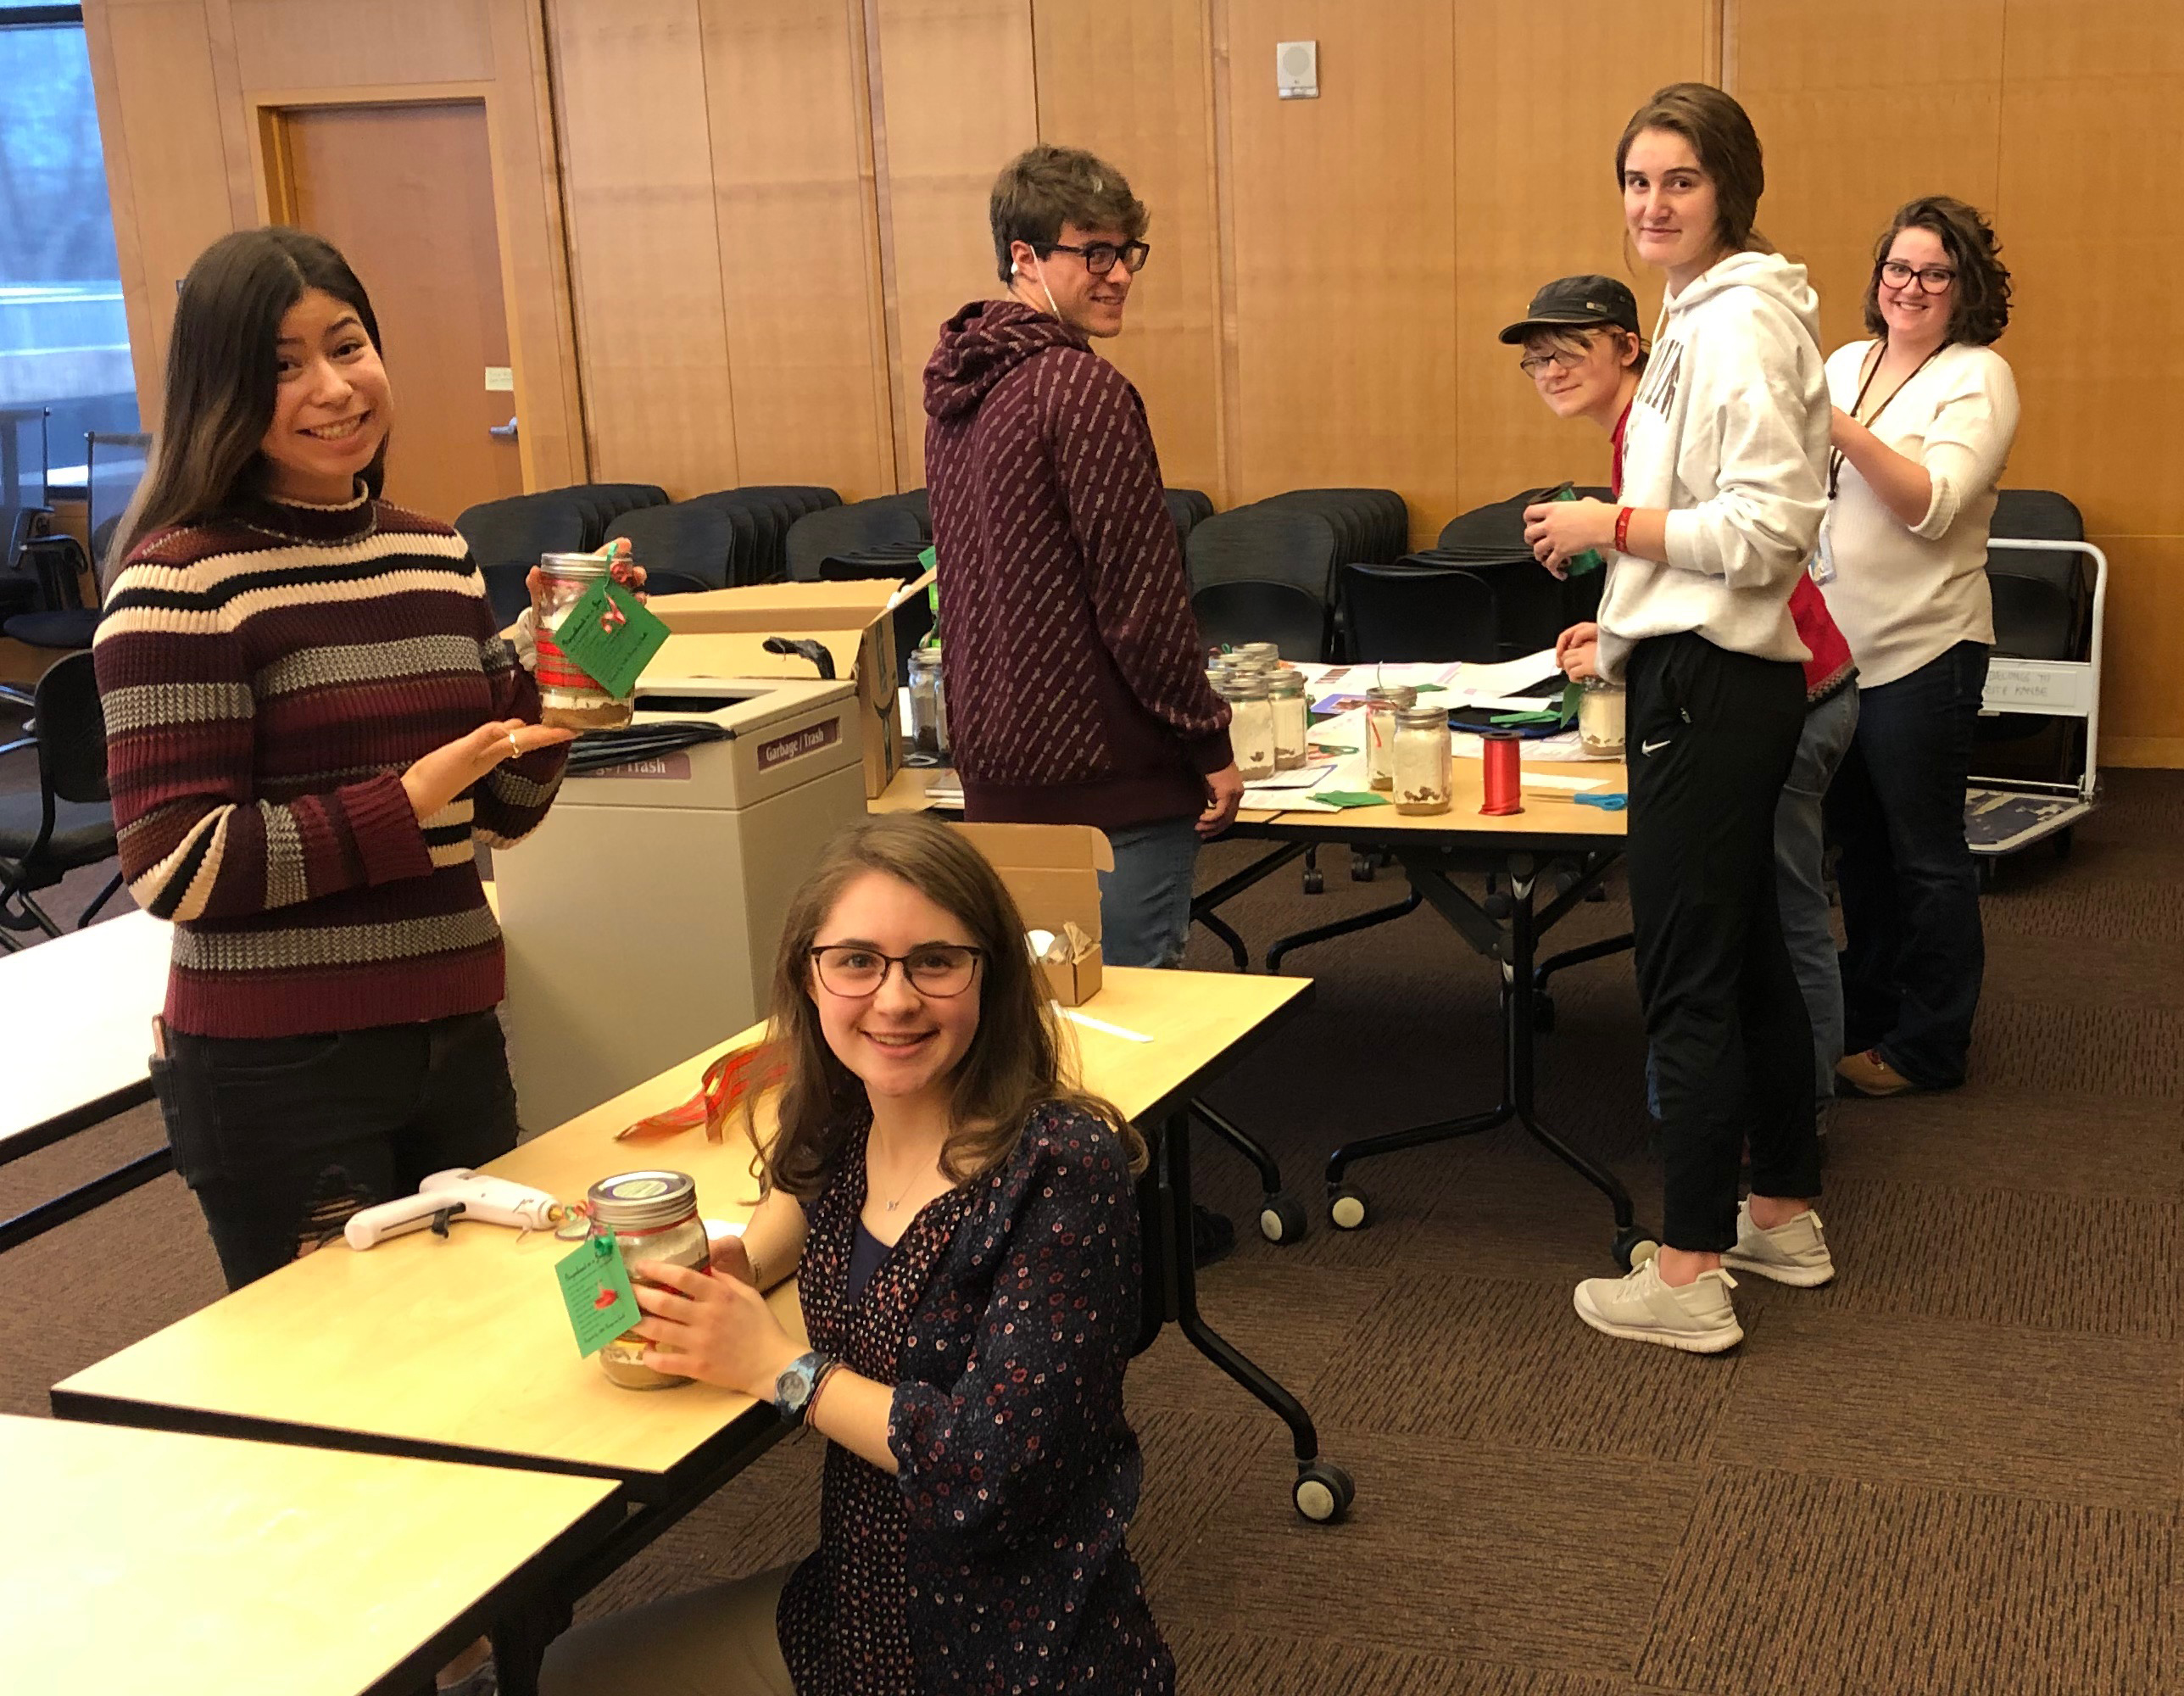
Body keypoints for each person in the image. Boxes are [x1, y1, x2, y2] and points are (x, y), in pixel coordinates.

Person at [94, 227, 640, 1293]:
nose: (333, 387)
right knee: (342, 1392)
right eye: (283, 366)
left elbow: (503, 807)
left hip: (453, 1026)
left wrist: (575, 672)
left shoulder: (430, 550)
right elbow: (174, 865)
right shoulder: (180, 580)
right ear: (220, 391)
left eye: (348, 347)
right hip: (281, 1067)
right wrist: (401, 804)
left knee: (490, 1332)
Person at [539, 812, 1172, 1696]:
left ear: (990, 972)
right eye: (856, 960)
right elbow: (803, 1195)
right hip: (861, 1605)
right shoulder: (853, 1110)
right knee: (569, 1668)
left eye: (934, 961)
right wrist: (738, 1261)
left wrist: (776, 1365)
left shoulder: (1059, 1169)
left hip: (1007, 1648)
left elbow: (985, 1478)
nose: (894, 998)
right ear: (810, 974)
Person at [1518, 84, 1832, 1353]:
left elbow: (1766, 537)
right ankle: (1781, 1213)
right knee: (1750, 951)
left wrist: (1611, 535)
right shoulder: (1698, 315)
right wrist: (1630, 609)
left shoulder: (1740, 327)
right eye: (1637, 181)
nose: (1653, 204)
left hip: (1713, 686)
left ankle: (1692, 1271)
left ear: (1730, 193)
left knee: (1687, 979)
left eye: (1680, 182)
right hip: (1706, 669)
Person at [1505, 274, 1859, 1144]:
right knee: (1759, 917)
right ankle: (1778, 1114)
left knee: (1776, 914)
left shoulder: (1657, 422)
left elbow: (1732, 547)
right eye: (1534, 359)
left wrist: (1600, 530)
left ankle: (1796, 1115)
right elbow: (1678, 571)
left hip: (1788, 687)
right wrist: (1617, 626)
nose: (1549, 368)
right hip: (1767, 678)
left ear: (1630, 346)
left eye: (1569, 349)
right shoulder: (1637, 432)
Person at [922, 143, 1240, 972]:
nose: (1118, 273)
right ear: (1023, 258)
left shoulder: (960, 393)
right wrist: (1208, 743)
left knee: (1030, 1033)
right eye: (1091, 252)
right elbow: (1139, 600)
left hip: (998, 774)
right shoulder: (1080, 388)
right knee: (1132, 1043)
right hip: (1107, 781)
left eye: (1125, 251)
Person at [1819, 196, 2020, 1099]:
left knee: (1925, 857)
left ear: (1962, 288)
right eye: (1896, 269)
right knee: (1856, 854)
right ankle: (1866, 1020)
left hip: (1923, 652)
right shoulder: (1842, 361)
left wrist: (1836, 427)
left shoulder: (1976, 376)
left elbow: (1928, 504)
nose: (1909, 286)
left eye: (1933, 273)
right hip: (1833, 653)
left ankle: (1930, 1045)